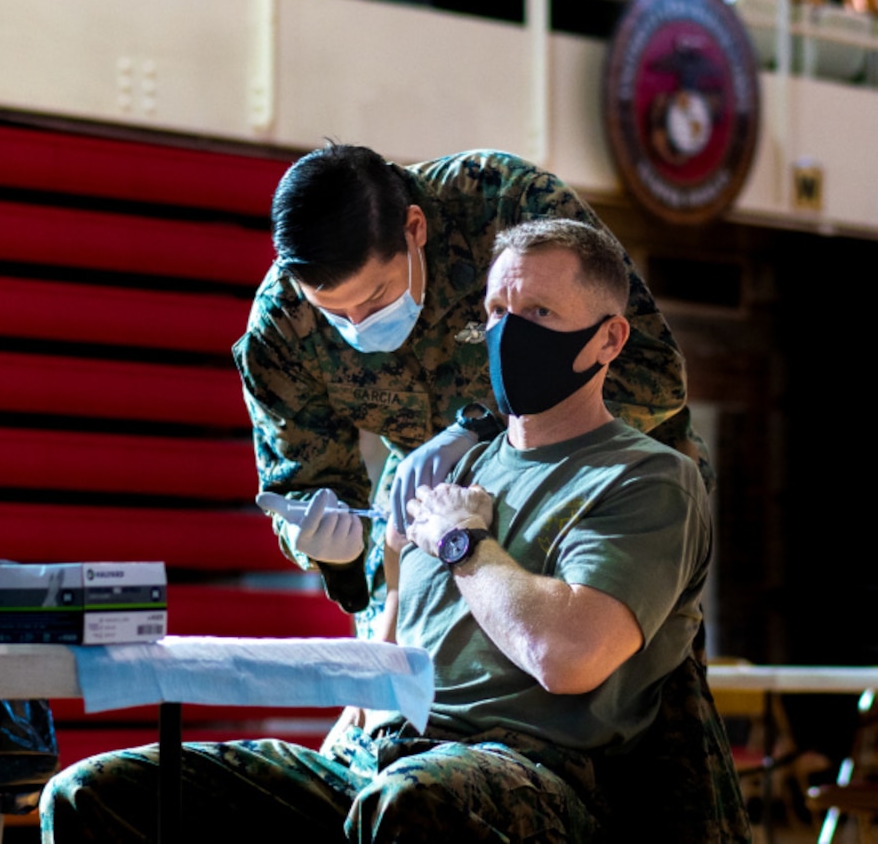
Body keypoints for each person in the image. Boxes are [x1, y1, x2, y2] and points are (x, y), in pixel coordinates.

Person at [40, 218, 718, 842]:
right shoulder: (446, 473)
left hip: (531, 774)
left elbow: (566, 656)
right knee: (95, 794)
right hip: (383, 762)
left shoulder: (645, 480)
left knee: (410, 803)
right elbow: (389, 655)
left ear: (609, 338)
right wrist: (344, 743)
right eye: (495, 313)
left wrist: (465, 544)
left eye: (538, 313)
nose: (509, 334)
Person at [236, 144, 710, 638]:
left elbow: (651, 375)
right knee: (397, 676)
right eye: (337, 314)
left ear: (415, 228)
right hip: (431, 498)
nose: (359, 323)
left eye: (376, 297)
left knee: (615, 673)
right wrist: (322, 542)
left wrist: (480, 436)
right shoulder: (283, 324)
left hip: (600, 476)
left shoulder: (501, 203)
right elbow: (302, 481)